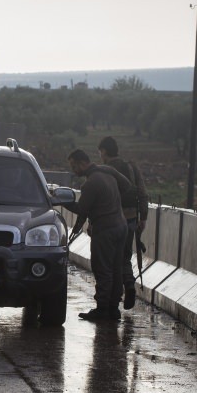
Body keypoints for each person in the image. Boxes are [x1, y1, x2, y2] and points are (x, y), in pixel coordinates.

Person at [66, 149, 129, 321]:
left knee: (103, 269)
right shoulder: (108, 173)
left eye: (73, 166)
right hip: (121, 226)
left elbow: (81, 209)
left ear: (81, 163)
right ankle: (113, 308)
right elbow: (127, 185)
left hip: (105, 229)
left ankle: (102, 309)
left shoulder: (91, 183)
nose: (73, 170)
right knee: (116, 269)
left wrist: (64, 202)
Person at [98, 136, 149, 310]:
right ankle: (128, 285)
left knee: (110, 261)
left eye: (100, 153)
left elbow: (100, 198)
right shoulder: (131, 167)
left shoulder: (105, 170)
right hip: (132, 219)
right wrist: (143, 218)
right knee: (125, 256)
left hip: (111, 221)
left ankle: (111, 301)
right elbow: (142, 193)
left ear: (104, 151)